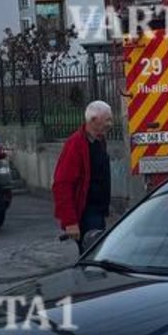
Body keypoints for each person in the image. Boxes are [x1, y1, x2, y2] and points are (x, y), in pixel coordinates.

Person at [52, 99, 114, 244]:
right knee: (93, 251)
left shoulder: (99, 140)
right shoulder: (76, 144)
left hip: (97, 211)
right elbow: (62, 184)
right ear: (93, 120)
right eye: (107, 120)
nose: (110, 124)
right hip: (86, 213)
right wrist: (70, 222)